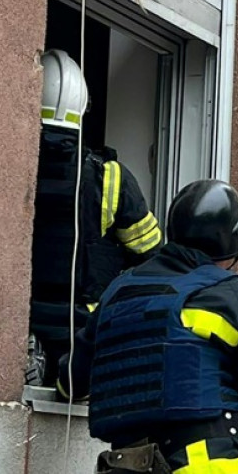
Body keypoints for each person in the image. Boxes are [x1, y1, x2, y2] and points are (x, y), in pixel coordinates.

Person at [58, 180, 238, 473]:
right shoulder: (235, 295)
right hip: (219, 461)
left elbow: (71, 379)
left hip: (128, 465)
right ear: (236, 245)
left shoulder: (116, 294)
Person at [28, 49, 162, 387]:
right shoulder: (109, 177)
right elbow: (153, 256)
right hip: (80, 333)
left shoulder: (13, 162)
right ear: (83, 106)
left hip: (18, 320)